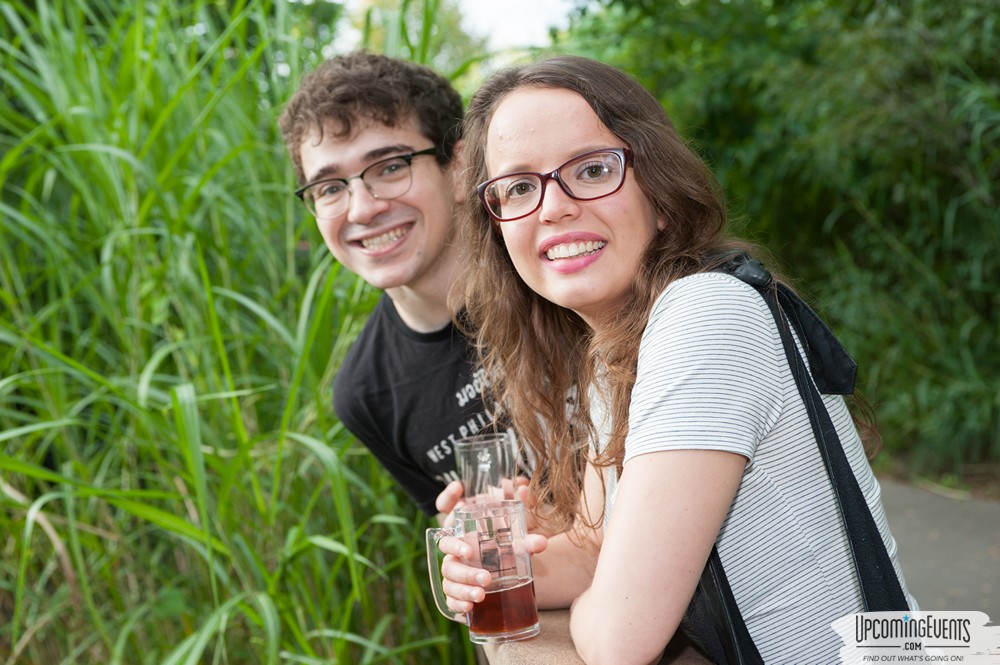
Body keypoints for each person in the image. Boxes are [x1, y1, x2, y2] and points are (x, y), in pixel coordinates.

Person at [436, 55, 917, 664]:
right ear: (498, 228)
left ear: (659, 195)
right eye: (520, 187)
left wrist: (594, 603)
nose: (553, 207)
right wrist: (498, 561)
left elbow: (619, 640)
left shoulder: (706, 313)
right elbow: (591, 551)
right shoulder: (612, 354)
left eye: (590, 169)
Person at [278, 51, 497, 521]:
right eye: (330, 188)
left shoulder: (559, 285)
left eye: (391, 167)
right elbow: (475, 545)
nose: (361, 209)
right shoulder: (366, 394)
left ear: (458, 167)